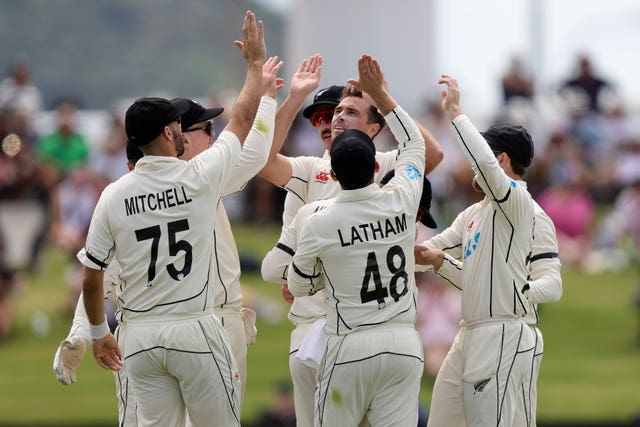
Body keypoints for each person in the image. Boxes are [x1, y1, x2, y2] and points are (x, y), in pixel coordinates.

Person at [53, 50, 280, 421]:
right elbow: (244, 126)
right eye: (192, 128)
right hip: (195, 325)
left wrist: (92, 332)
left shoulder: (113, 194)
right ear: (170, 134)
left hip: (139, 336)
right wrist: (256, 73)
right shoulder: (200, 177)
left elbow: (93, 275)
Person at [287, 54, 426, 427]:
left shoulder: (317, 220)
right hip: (402, 344)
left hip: (349, 344)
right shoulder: (401, 197)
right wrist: (382, 96)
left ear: (332, 170)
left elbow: (298, 284)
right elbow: (416, 145)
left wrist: (322, 276)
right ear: (376, 166)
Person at [412, 74, 545, 426]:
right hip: (468, 331)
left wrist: (456, 112)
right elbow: (428, 251)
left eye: (481, 158)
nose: (469, 166)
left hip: (502, 333)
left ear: (500, 161)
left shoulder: (518, 202)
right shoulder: (474, 213)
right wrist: (427, 259)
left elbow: (483, 164)